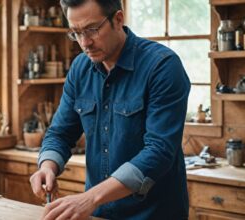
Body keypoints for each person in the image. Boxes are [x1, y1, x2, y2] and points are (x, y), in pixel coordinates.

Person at [29, 0, 191, 219]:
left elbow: (159, 151)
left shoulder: (162, 66)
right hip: (100, 213)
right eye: (76, 33)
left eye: (92, 30)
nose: (85, 42)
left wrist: (90, 197)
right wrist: (48, 167)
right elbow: (60, 133)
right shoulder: (79, 69)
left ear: (118, 19)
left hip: (153, 214)